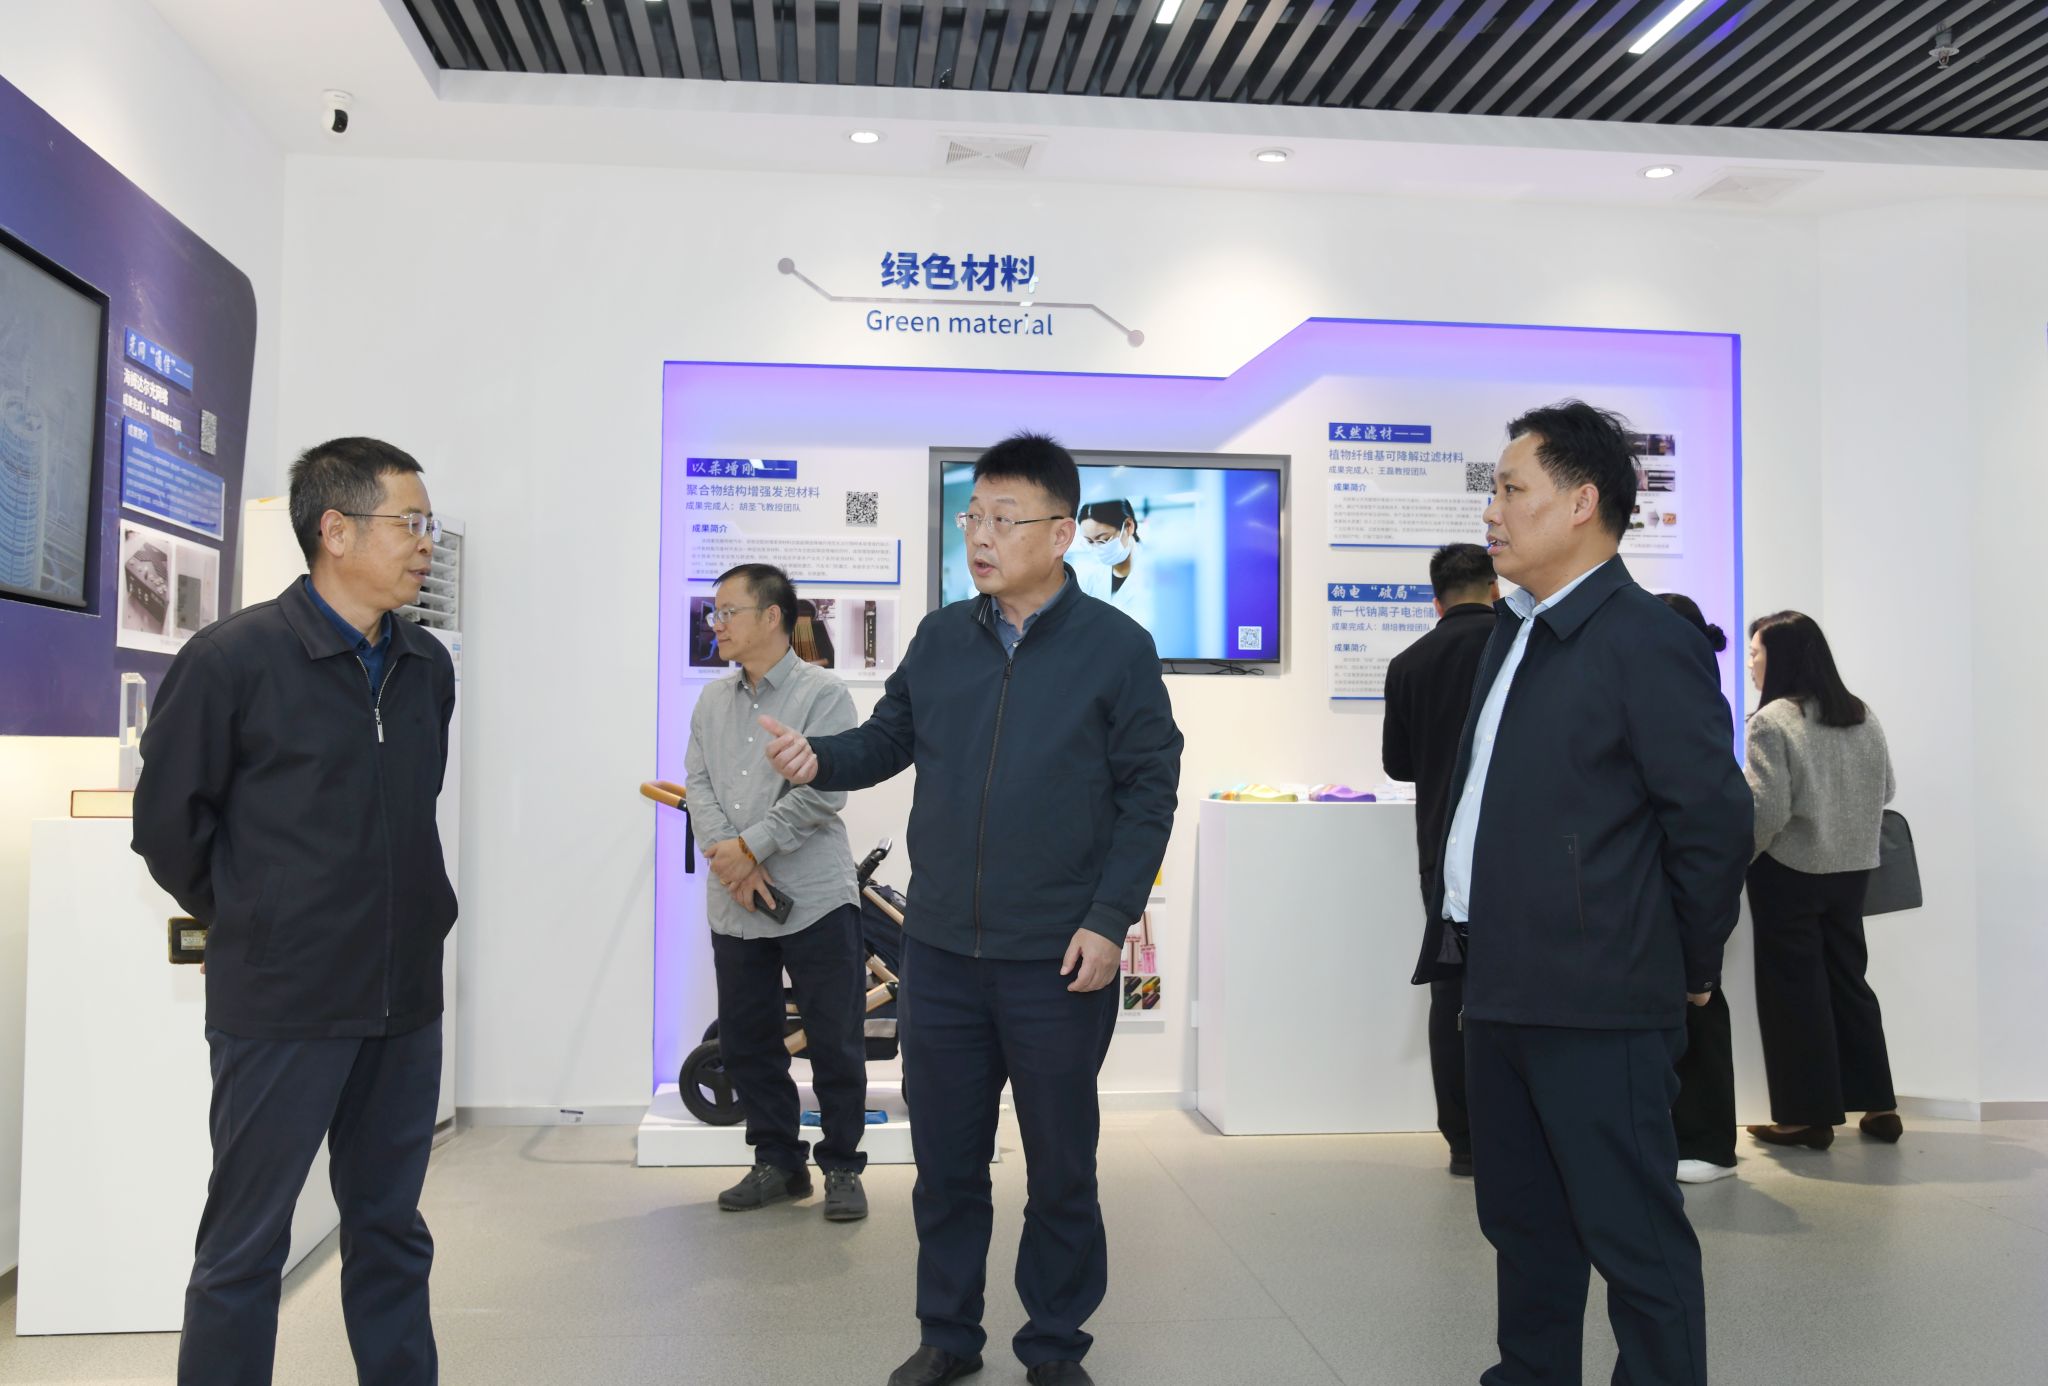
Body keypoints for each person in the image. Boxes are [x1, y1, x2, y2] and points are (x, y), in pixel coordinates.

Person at [761, 434, 1183, 1386]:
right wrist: (820, 759)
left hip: (1058, 958)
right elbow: (887, 739)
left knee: (1061, 1168)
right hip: (943, 952)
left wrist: (1109, 918)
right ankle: (948, 1335)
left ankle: (1054, 1343)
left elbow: (1149, 793)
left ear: (1062, 533)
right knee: (947, 1164)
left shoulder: (1117, 649)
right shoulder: (943, 636)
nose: (980, 537)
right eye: (972, 517)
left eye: (1003, 519)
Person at [1425, 401, 1751, 1386]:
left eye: (1510, 488)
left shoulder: (1644, 639)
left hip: (1600, 993)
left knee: (1632, 1236)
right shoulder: (1511, 630)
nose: (1491, 510)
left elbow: (1711, 820)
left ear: (1580, 503)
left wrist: (1685, 963)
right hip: (1499, 979)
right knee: (1523, 1227)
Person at [132, 438, 457, 1386]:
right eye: (410, 522)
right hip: (281, 1002)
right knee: (245, 1247)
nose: (426, 543)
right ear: (336, 531)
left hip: (403, 1000)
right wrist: (253, 917)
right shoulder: (232, 660)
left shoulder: (426, 664)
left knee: (390, 1231)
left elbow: (416, 806)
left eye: (428, 523)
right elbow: (167, 827)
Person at [685, 563, 870, 1219]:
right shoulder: (712, 702)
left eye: (726, 612)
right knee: (747, 1041)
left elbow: (824, 790)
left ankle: (842, 1166)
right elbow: (698, 784)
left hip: (815, 898)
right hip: (736, 902)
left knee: (835, 1040)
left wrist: (751, 848)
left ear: (772, 616)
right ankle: (778, 1163)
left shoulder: (824, 694)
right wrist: (731, 859)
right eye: (713, 613)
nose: (716, 624)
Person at [1741, 611, 1903, 1150]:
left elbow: (1767, 810)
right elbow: (1887, 789)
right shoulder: (1860, 713)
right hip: (1852, 870)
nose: (1750, 664)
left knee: (1794, 991)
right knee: (1849, 981)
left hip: (1789, 871)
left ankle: (1805, 1118)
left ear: (1781, 658)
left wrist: (1738, 858)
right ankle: (1879, 1105)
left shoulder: (1772, 722)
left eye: (1756, 653)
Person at [1380, 541, 1499, 1177]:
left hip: (1441, 853)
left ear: (1436, 600)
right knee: (1519, 992)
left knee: (1451, 990)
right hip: (1516, 853)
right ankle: (1517, 1135)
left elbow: (1398, 764)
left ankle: (1465, 1143)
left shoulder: (1409, 663)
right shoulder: (1516, 648)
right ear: (1495, 589)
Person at [1659, 594, 1742, 1185]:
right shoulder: (1694, 695)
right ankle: (1696, 1138)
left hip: (1686, 883)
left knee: (1700, 1003)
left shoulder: (1690, 703)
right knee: (1690, 1006)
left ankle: (1709, 1142)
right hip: (1677, 883)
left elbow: (1715, 820)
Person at [1072, 498, 1157, 634]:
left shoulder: (1157, 573)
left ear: (1129, 526)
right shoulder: (1089, 579)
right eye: (1090, 542)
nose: (1097, 548)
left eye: (1104, 540)